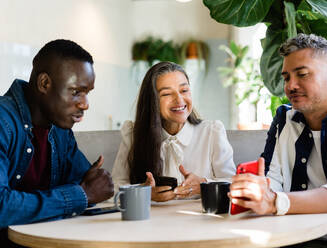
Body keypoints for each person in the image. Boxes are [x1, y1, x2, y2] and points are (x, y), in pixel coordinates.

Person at [229, 33, 327, 247]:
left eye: (302, 74)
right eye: (286, 77)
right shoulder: (284, 119)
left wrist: (276, 202)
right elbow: (271, 179)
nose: (291, 86)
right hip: (297, 236)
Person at [0, 40, 114, 245]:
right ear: (44, 84)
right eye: (76, 91)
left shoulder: (60, 129)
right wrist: (80, 195)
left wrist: (89, 187)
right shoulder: (3, 123)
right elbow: (1, 206)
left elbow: (86, 185)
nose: (85, 104)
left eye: (87, 93)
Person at [112, 61, 235, 202]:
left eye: (184, 90)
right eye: (167, 94)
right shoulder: (133, 135)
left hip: (200, 221)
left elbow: (232, 183)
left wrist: (203, 184)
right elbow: (114, 189)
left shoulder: (212, 132)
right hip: (151, 222)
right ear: (152, 101)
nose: (179, 100)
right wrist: (144, 194)